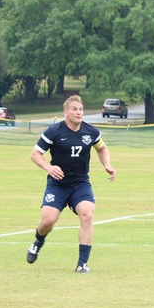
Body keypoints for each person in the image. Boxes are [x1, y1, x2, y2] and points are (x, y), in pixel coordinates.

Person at [26, 95, 116, 273]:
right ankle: (38, 242)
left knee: (87, 214)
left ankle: (82, 263)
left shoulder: (91, 132)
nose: (79, 112)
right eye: (74, 109)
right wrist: (49, 168)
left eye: (81, 109)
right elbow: (35, 154)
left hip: (80, 183)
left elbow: (102, 148)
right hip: (57, 184)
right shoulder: (54, 131)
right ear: (65, 112)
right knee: (48, 221)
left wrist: (107, 164)